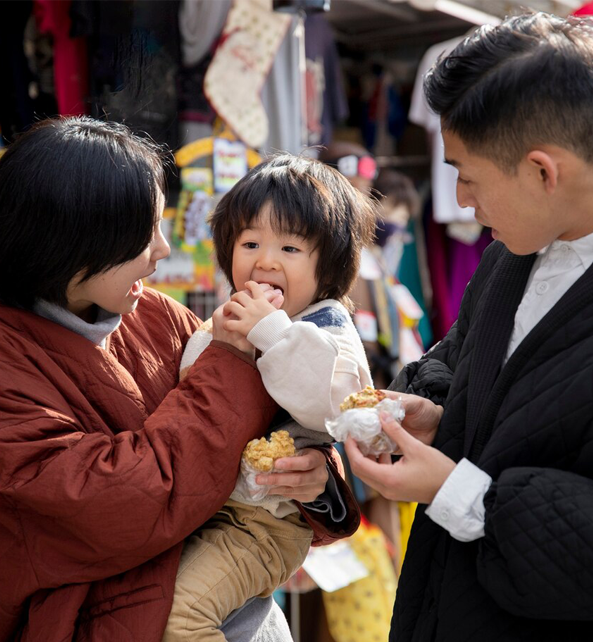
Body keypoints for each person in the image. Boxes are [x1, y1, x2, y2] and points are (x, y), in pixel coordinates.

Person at [0, 117, 360, 642]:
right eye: (144, 233)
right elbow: (111, 507)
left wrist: (317, 481)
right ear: (74, 243)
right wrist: (232, 359)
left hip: (244, 612)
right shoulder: (12, 364)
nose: (163, 250)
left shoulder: (158, 315)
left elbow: (278, 418)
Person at [344, 11, 593, 641]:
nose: (459, 200)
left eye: (467, 174)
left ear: (544, 171)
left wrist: (461, 492)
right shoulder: (511, 256)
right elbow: (457, 359)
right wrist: (432, 411)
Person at [165, 154, 377, 640]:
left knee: (179, 617)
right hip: (212, 512)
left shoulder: (327, 327)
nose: (265, 260)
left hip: (265, 525)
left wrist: (272, 333)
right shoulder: (222, 320)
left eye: (290, 246)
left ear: (329, 265)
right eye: (250, 242)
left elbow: (338, 405)